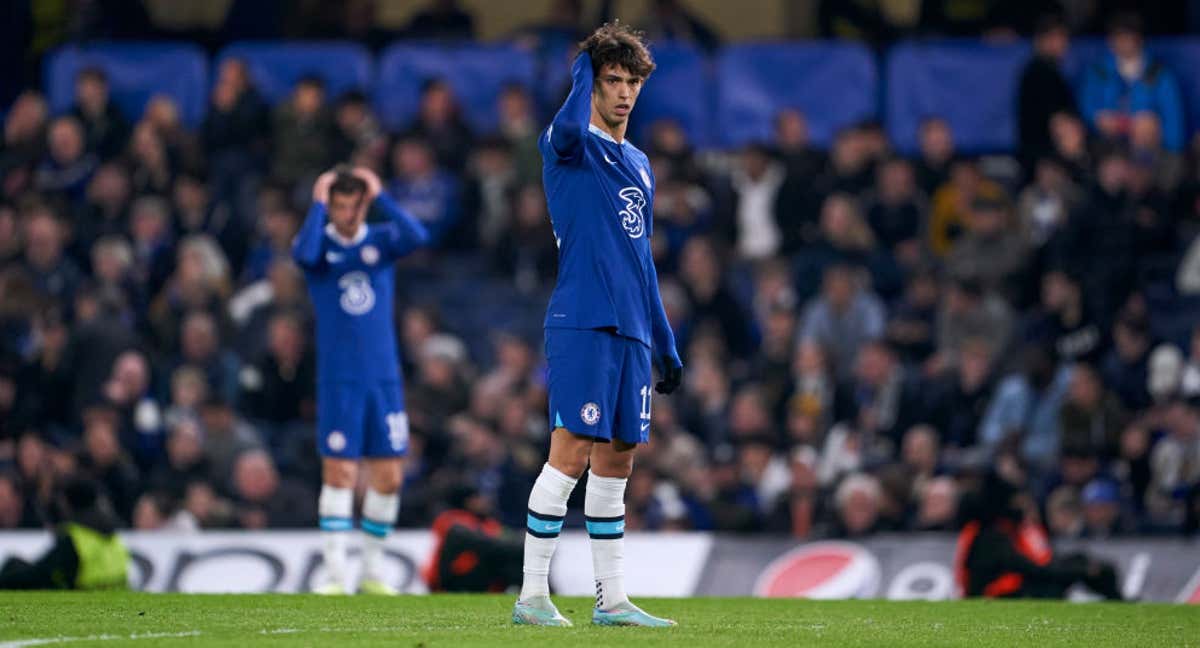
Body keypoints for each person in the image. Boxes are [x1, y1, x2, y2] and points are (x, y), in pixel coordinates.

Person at [514, 22, 681, 628]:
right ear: (591, 85)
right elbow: (563, 126)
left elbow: (641, 259)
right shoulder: (568, 146)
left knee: (618, 462)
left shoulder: (639, 162)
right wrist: (584, 66)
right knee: (570, 453)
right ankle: (532, 594)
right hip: (582, 319)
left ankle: (611, 599)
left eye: (632, 82)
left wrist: (664, 338)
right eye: (612, 80)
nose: (624, 93)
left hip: (633, 329)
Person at [291, 165, 429, 595]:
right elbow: (302, 254)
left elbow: (417, 236)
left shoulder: (380, 243)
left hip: (384, 380)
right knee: (340, 474)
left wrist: (381, 195)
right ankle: (334, 575)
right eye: (339, 206)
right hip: (340, 382)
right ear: (329, 207)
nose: (348, 215)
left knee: (388, 476)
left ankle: (372, 572)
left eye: (355, 206)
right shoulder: (318, 250)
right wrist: (317, 202)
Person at [0, 479, 129, 590]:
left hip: (85, 596)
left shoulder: (76, 537)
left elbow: (41, 572)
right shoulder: (112, 534)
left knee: (14, 565)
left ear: (68, 503)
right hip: (115, 595)